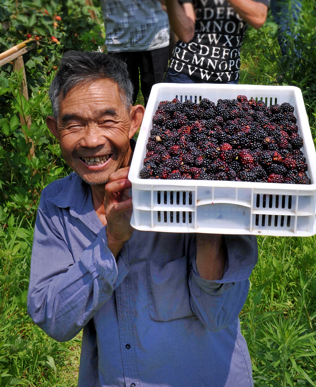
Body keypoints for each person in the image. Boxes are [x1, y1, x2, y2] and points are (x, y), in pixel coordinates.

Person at [27, 50, 258, 387]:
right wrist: (111, 242)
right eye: (73, 124)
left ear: (135, 120)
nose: (92, 141)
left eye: (108, 121)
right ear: (54, 128)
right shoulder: (57, 204)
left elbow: (218, 314)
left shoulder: (188, 184)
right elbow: (53, 318)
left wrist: (208, 217)